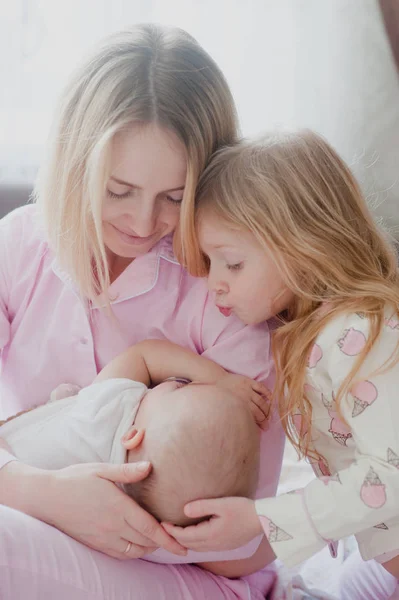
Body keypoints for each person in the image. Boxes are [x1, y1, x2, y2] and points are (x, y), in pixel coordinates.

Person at [0, 23, 284, 600]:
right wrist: (45, 495)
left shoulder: (230, 289)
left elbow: (255, 538)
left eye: (174, 198)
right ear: (76, 163)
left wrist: (134, 524)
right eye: (118, 188)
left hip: (186, 573)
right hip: (29, 513)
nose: (141, 222)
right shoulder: (21, 246)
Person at [164, 130, 399, 598]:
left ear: (302, 244)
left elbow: (392, 472)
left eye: (231, 264)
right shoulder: (316, 332)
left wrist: (264, 520)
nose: (214, 285)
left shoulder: (359, 332)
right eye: (210, 263)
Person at [0, 339, 262, 536]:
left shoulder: (108, 410)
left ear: (133, 436)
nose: (175, 382)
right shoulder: (118, 514)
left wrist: (219, 379)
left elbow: (144, 355)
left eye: (180, 388)